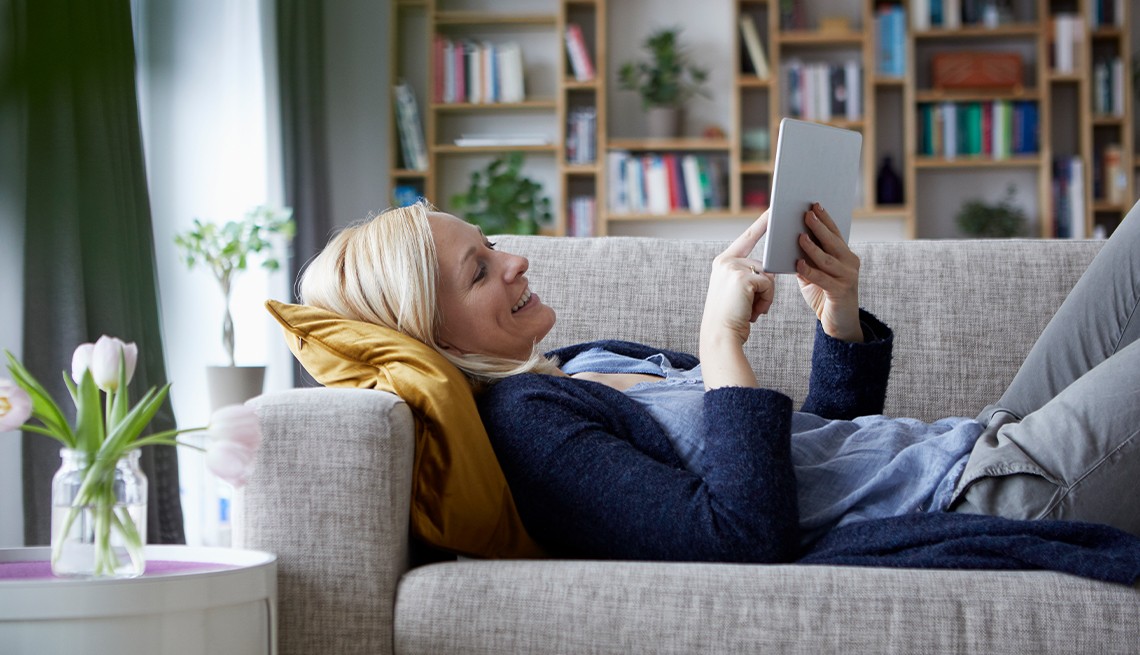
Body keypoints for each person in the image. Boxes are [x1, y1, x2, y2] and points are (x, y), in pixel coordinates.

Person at [299, 200, 1140, 563]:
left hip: (979, 438)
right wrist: (720, 335)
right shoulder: (528, 425)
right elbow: (747, 534)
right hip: (993, 493)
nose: (516, 259)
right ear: (434, 332)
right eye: (481, 269)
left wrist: (836, 313)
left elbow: (821, 457)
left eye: (492, 243)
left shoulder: (583, 363)